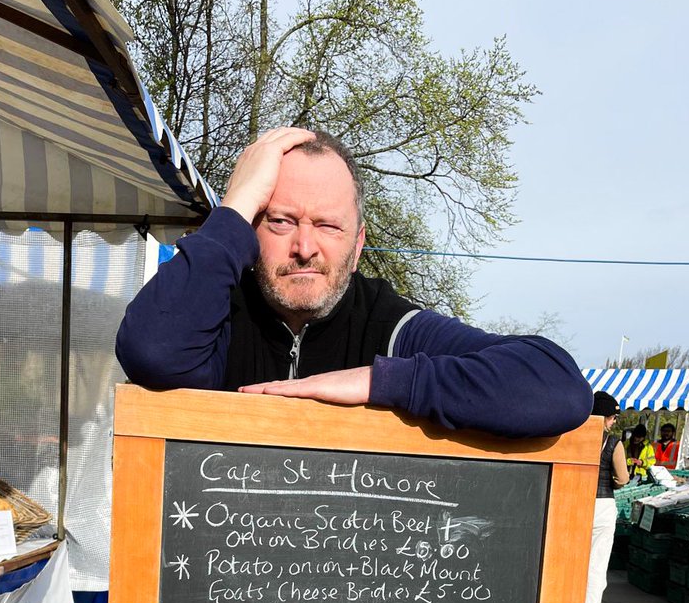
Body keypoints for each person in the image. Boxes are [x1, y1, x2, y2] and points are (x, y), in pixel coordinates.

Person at [116, 127, 592, 437]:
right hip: (221, 581)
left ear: (358, 242)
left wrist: (381, 380)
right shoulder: (217, 320)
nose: (305, 246)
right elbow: (152, 351)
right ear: (250, 231)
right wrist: (234, 208)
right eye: (280, 221)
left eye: (327, 225)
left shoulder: (394, 329)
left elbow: (557, 387)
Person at [583, 391, 630, 603]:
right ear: (606, 417)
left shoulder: (575, 437)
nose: (613, 422)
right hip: (602, 504)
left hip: (576, 502)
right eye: (612, 417)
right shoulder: (613, 443)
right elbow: (622, 478)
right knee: (596, 561)